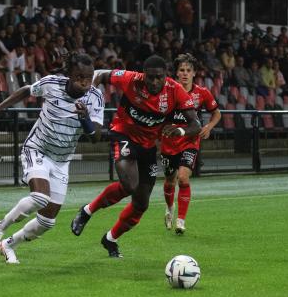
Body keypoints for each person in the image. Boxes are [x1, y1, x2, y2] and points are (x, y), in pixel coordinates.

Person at [0, 52, 105, 263]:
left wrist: (85, 118)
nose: (85, 83)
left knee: (47, 222)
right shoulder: (51, 84)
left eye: (89, 78)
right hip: (38, 149)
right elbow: (27, 90)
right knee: (40, 197)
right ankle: (0, 226)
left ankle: (8, 245)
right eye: (80, 77)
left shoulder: (95, 97)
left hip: (62, 161)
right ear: (70, 74)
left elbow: (96, 137)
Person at [70, 55, 201, 258]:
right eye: (150, 77)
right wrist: (88, 98)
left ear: (166, 76)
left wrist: (181, 131)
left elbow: (196, 125)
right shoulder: (131, 79)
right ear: (144, 75)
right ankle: (87, 211)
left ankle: (110, 239)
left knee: (141, 204)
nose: (154, 82)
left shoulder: (176, 91)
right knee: (130, 184)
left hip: (147, 146)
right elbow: (100, 75)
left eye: (159, 78)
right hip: (123, 134)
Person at [161, 53, 221, 234]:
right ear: (177, 73)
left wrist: (209, 127)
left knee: (183, 177)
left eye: (188, 70)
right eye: (181, 70)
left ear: (194, 73)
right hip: (169, 143)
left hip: (190, 142)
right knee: (170, 181)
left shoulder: (202, 93)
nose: (185, 73)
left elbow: (216, 113)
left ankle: (181, 220)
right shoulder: (167, 91)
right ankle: (170, 209)